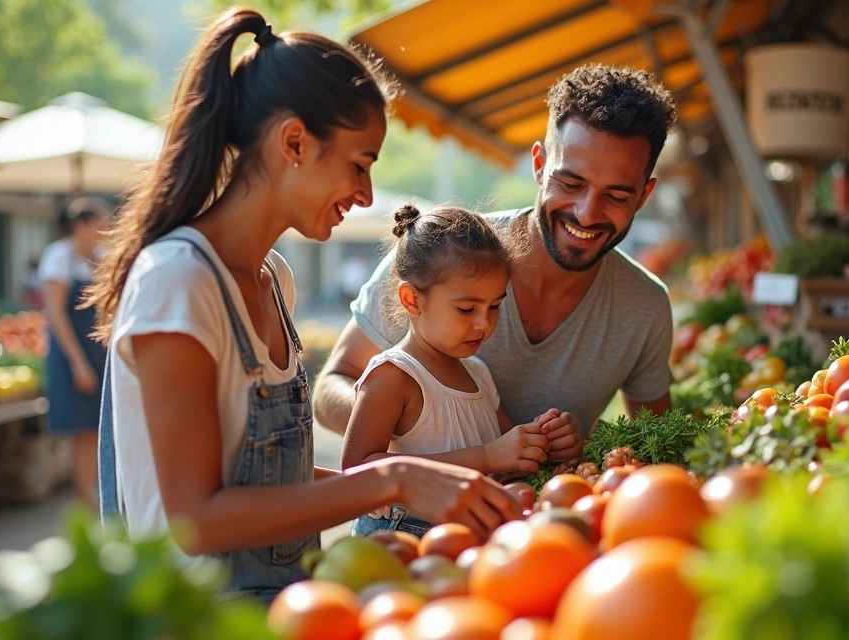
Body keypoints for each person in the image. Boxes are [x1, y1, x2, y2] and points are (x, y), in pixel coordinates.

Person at [86, 9, 519, 604]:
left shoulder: (274, 279)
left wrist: (412, 490)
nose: (367, 194)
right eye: (359, 164)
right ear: (293, 141)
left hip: (290, 602)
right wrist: (391, 478)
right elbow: (195, 518)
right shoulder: (176, 282)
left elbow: (266, 479)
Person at [315, 64, 679, 439]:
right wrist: (429, 429)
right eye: (570, 183)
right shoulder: (440, 252)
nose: (586, 214)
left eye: (616, 195)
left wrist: (581, 444)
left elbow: (652, 444)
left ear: (643, 196)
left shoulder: (645, 307)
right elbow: (330, 391)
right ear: (539, 166)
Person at [342, 204, 581, 537]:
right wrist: (486, 456)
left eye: (495, 306)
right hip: (402, 538)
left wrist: (547, 440)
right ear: (412, 300)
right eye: (467, 308)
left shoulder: (479, 374)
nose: (484, 323)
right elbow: (356, 472)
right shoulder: (395, 375)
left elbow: (508, 459)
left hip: (467, 541)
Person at [40, 197, 110, 508]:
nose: (102, 231)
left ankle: (95, 493)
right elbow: (56, 315)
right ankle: (86, 499)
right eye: (98, 225)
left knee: (98, 428)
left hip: (97, 352)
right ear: (80, 226)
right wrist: (79, 363)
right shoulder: (58, 257)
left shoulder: (101, 257)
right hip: (72, 354)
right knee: (82, 430)